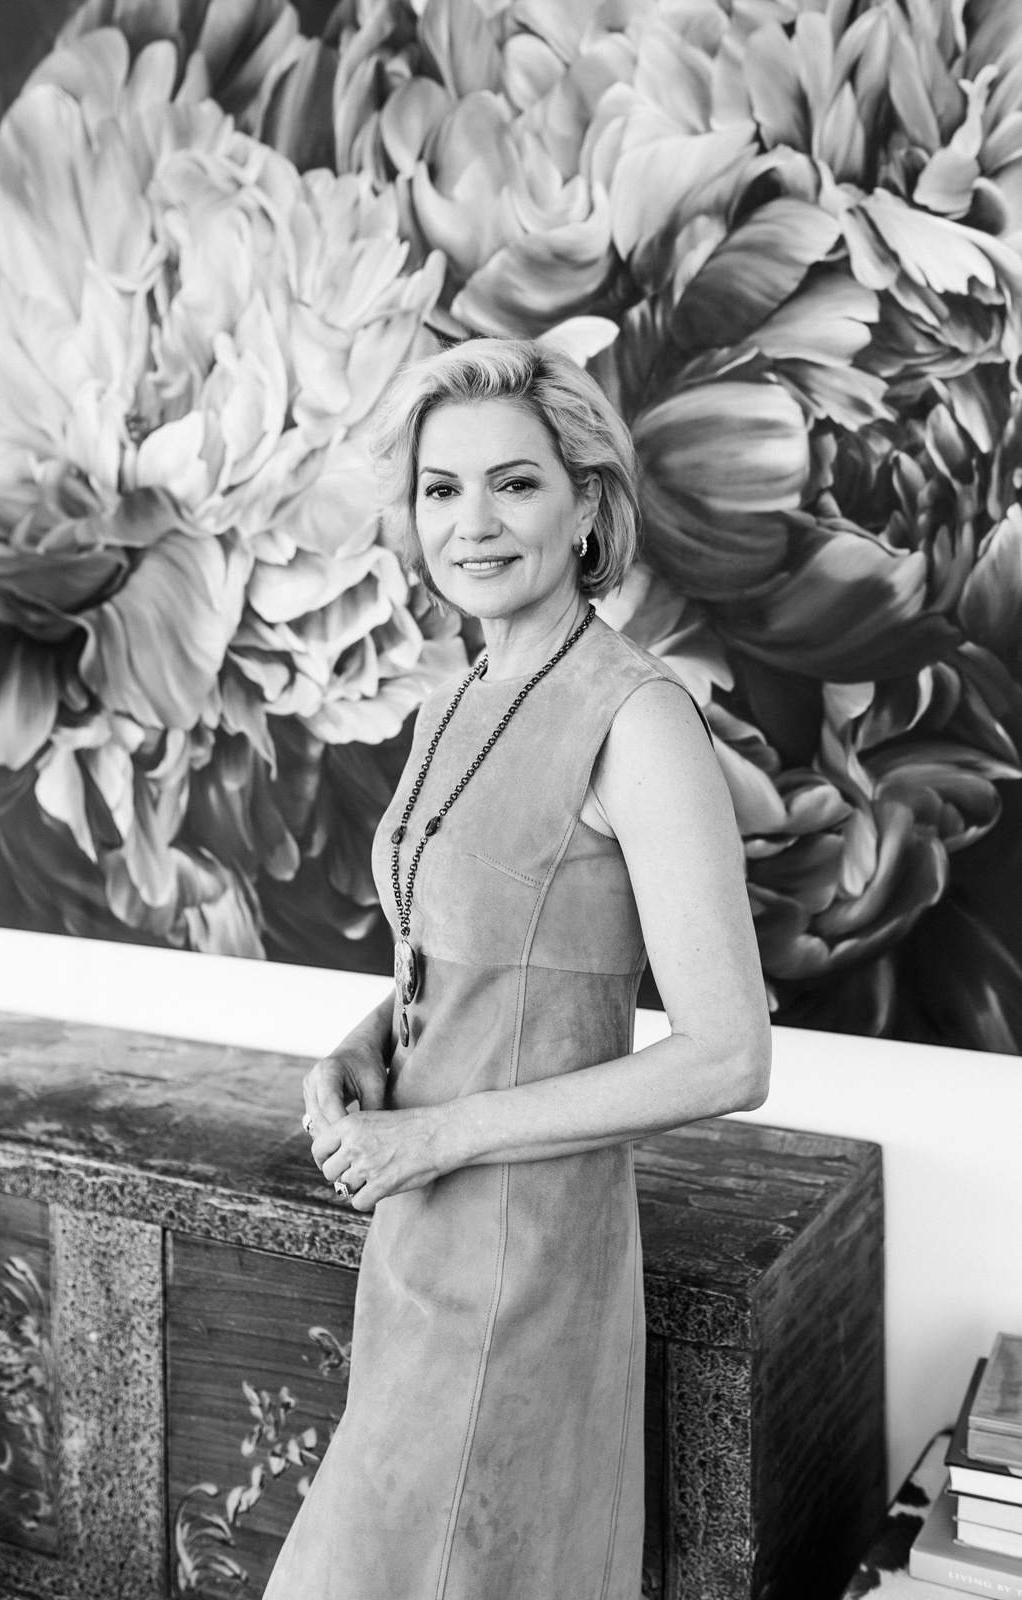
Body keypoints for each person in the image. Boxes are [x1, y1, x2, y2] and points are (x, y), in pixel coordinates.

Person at [263, 338, 771, 1600]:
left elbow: (729, 1055)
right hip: (414, 1243)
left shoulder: (635, 716)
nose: (472, 522)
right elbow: (470, 952)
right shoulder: (452, 703)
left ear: (586, 505)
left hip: (521, 1266)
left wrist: (436, 1135)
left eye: (514, 483)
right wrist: (364, 1044)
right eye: (441, 488)